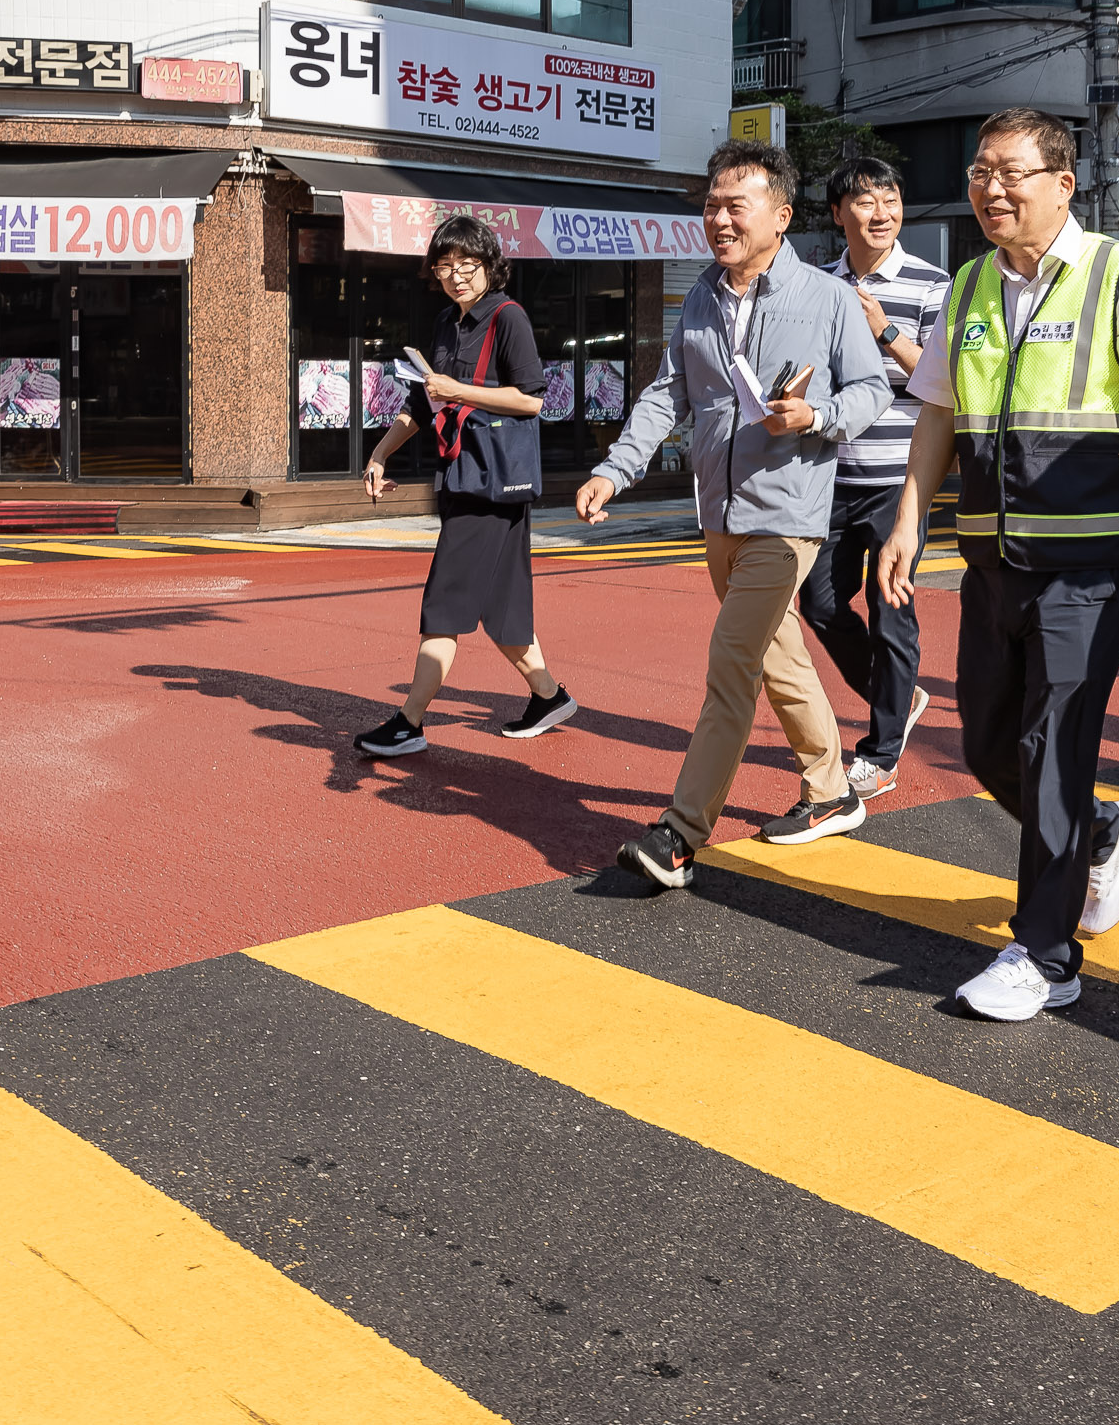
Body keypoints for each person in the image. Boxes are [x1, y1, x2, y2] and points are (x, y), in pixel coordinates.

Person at [874, 107, 1119, 1022]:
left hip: (1090, 568)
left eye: (1012, 171)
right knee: (986, 744)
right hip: (991, 564)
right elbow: (937, 413)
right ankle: (1101, 832)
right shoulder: (970, 286)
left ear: (1065, 183)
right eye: (982, 171)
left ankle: (1046, 954)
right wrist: (908, 524)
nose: (991, 187)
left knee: (1052, 748)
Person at [581, 140, 891, 888]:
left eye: (735, 204)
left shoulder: (827, 297)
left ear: (780, 217)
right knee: (778, 655)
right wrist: (613, 468)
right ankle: (830, 790)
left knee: (731, 667)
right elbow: (667, 393)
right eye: (711, 204)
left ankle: (681, 835)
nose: (718, 218)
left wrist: (814, 415)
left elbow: (873, 389)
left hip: (787, 518)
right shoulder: (701, 295)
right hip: (718, 515)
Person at [354, 215, 577, 757]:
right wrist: (380, 454)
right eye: (445, 266)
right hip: (464, 477)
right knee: (502, 609)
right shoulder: (446, 324)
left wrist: (462, 389)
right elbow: (422, 403)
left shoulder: (508, 318)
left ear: (489, 266)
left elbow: (532, 399)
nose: (455, 276)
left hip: (490, 482)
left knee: (445, 606)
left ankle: (409, 722)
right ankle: (548, 696)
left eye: (467, 265)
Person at [799, 157, 951, 800]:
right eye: (865, 202)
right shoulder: (814, 285)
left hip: (899, 475)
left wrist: (883, 330)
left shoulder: (932, 284)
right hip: (829, 470)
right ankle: (900, 695)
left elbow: (942, 381)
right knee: (821, 604)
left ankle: (881, 750)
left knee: (892, 610)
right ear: (838, 214)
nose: (882, 213)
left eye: (890, 200)